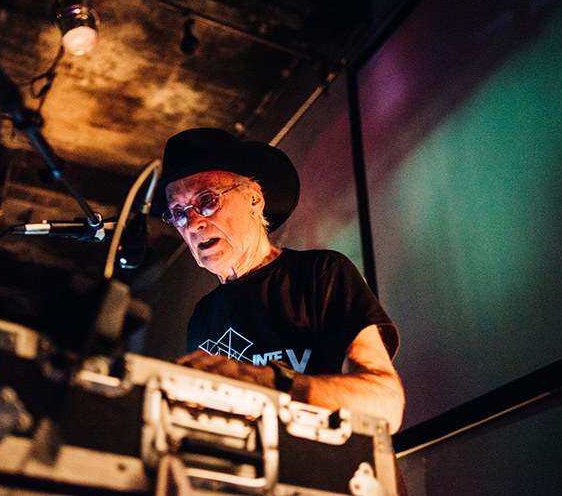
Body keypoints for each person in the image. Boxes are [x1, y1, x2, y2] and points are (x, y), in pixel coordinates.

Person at [151, 128, 405, 434]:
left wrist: (265, 382)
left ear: (254, 199)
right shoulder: (202, 317)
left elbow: (385, 403)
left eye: (207, 200)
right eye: (178, 212)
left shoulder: (320, 273)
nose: (192, 223)